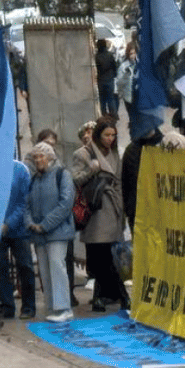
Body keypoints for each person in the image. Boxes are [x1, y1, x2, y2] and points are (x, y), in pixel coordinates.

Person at [71, 118, 128, 312]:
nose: (110, 139)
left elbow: (119, 182)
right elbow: (75, 180)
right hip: (95, 209)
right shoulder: (83, 154)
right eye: (107, 135)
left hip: (112, 208)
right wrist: (91, 170)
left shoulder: (114, 154)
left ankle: (102, 297)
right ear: (98, 135)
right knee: (101, 256)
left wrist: (120, 207)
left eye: (113, 135)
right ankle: (120, 295)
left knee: (107, 255)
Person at [28, 143, 76, 323]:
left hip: (57, 232)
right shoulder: (34, 179)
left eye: (41, 156)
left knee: (57, 267)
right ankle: (52, 307)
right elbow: (26, 205)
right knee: (45, 271)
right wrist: (31, 224)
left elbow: (65, 204)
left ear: (50, 157)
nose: (38, 160)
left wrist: (45, 225)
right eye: (35, 157)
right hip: (39, 233)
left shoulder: (62, 174)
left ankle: (64, 307)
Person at [0, 160, 37, 320]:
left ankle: (28, 306)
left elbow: (25, 201)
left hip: (19, 229)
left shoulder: (21, 169)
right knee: (0, 268)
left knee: (25, 267)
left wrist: (9, 223)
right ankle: (7, 306)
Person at [95, 38, 119, 117]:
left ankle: (104, 116)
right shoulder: (110, 55)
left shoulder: (96, 57)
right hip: (110, 79)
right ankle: (114, 115)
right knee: (110, 99)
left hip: (100, 81)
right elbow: (114, 66)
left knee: (102, 100)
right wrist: (114, 75)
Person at [115, 43, 138, 122]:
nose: (133, 55)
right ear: (128, 54)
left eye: (135, 53)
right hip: (128, 97)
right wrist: (125, 75)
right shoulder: (124, 66)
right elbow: (119, 83)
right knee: (133, 119)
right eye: (131, 53)